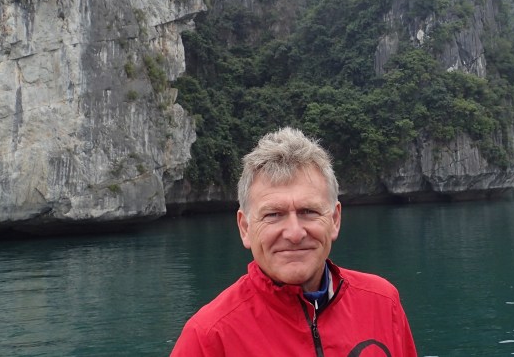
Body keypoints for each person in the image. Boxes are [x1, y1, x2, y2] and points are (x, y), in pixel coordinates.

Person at [170, 126, 417, 356]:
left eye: (308, 211)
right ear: (245, 228)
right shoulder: (208, 338)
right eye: (273, 215)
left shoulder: (382, 303)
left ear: (335, 219)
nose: (295, 233)